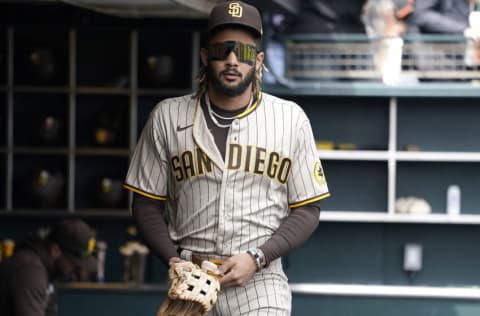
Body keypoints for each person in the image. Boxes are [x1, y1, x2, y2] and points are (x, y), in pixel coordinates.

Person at [123, 1, 330, 315]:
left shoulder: (290, 119)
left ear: (258, 61)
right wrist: (174, 260)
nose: (233, 60)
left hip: (260, 280)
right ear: (206, 56)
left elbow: (308, 209)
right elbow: (145, 204)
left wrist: (259, 257)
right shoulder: (167, 116)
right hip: (191, 278)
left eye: (244, 52)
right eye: (222, 50)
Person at [0, 219, 97, 316]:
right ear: (55, 250)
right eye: (74, 263)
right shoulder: (31, 271)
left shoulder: (48, 271)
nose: (78, 270)